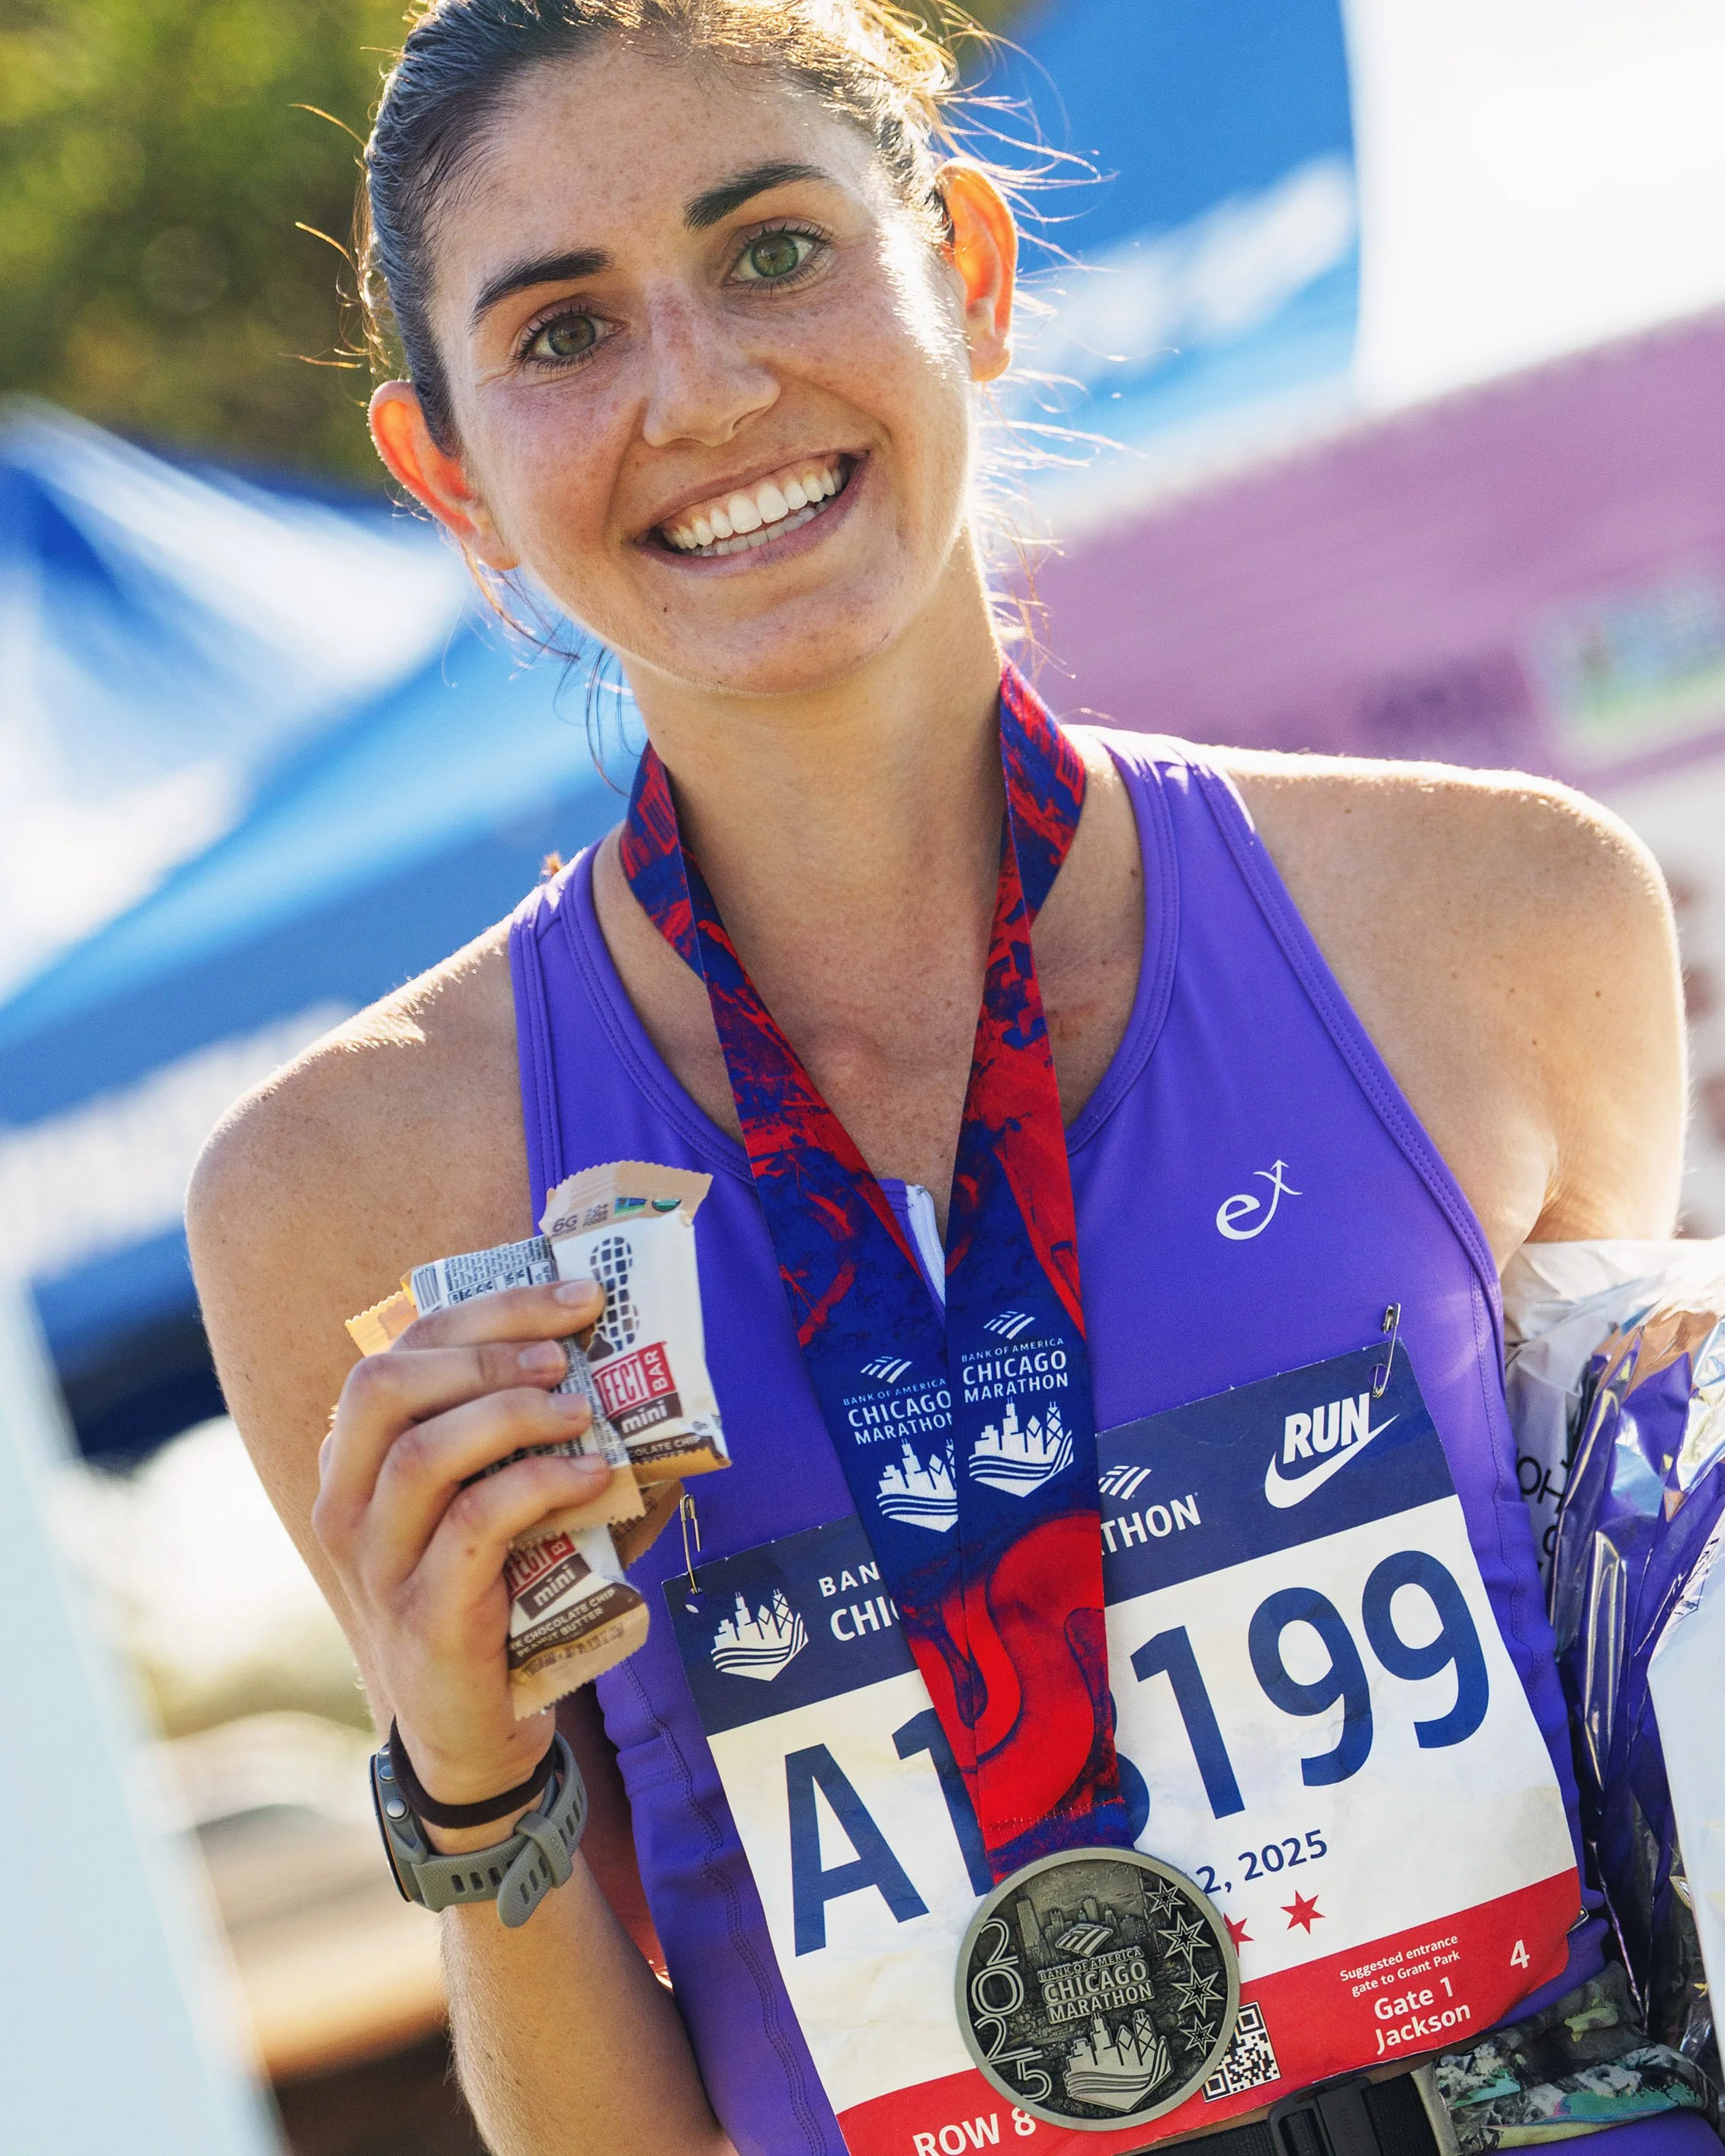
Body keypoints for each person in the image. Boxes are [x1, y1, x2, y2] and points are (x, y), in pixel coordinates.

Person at [186, 5, 1698, 2155]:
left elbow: (1665, 1756)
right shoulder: (347, 1188)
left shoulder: (1494, 921)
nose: (701, 391)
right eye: (558, 334)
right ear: (451, 480)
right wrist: (471, 1778)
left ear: (969, 279)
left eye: (775, 252)